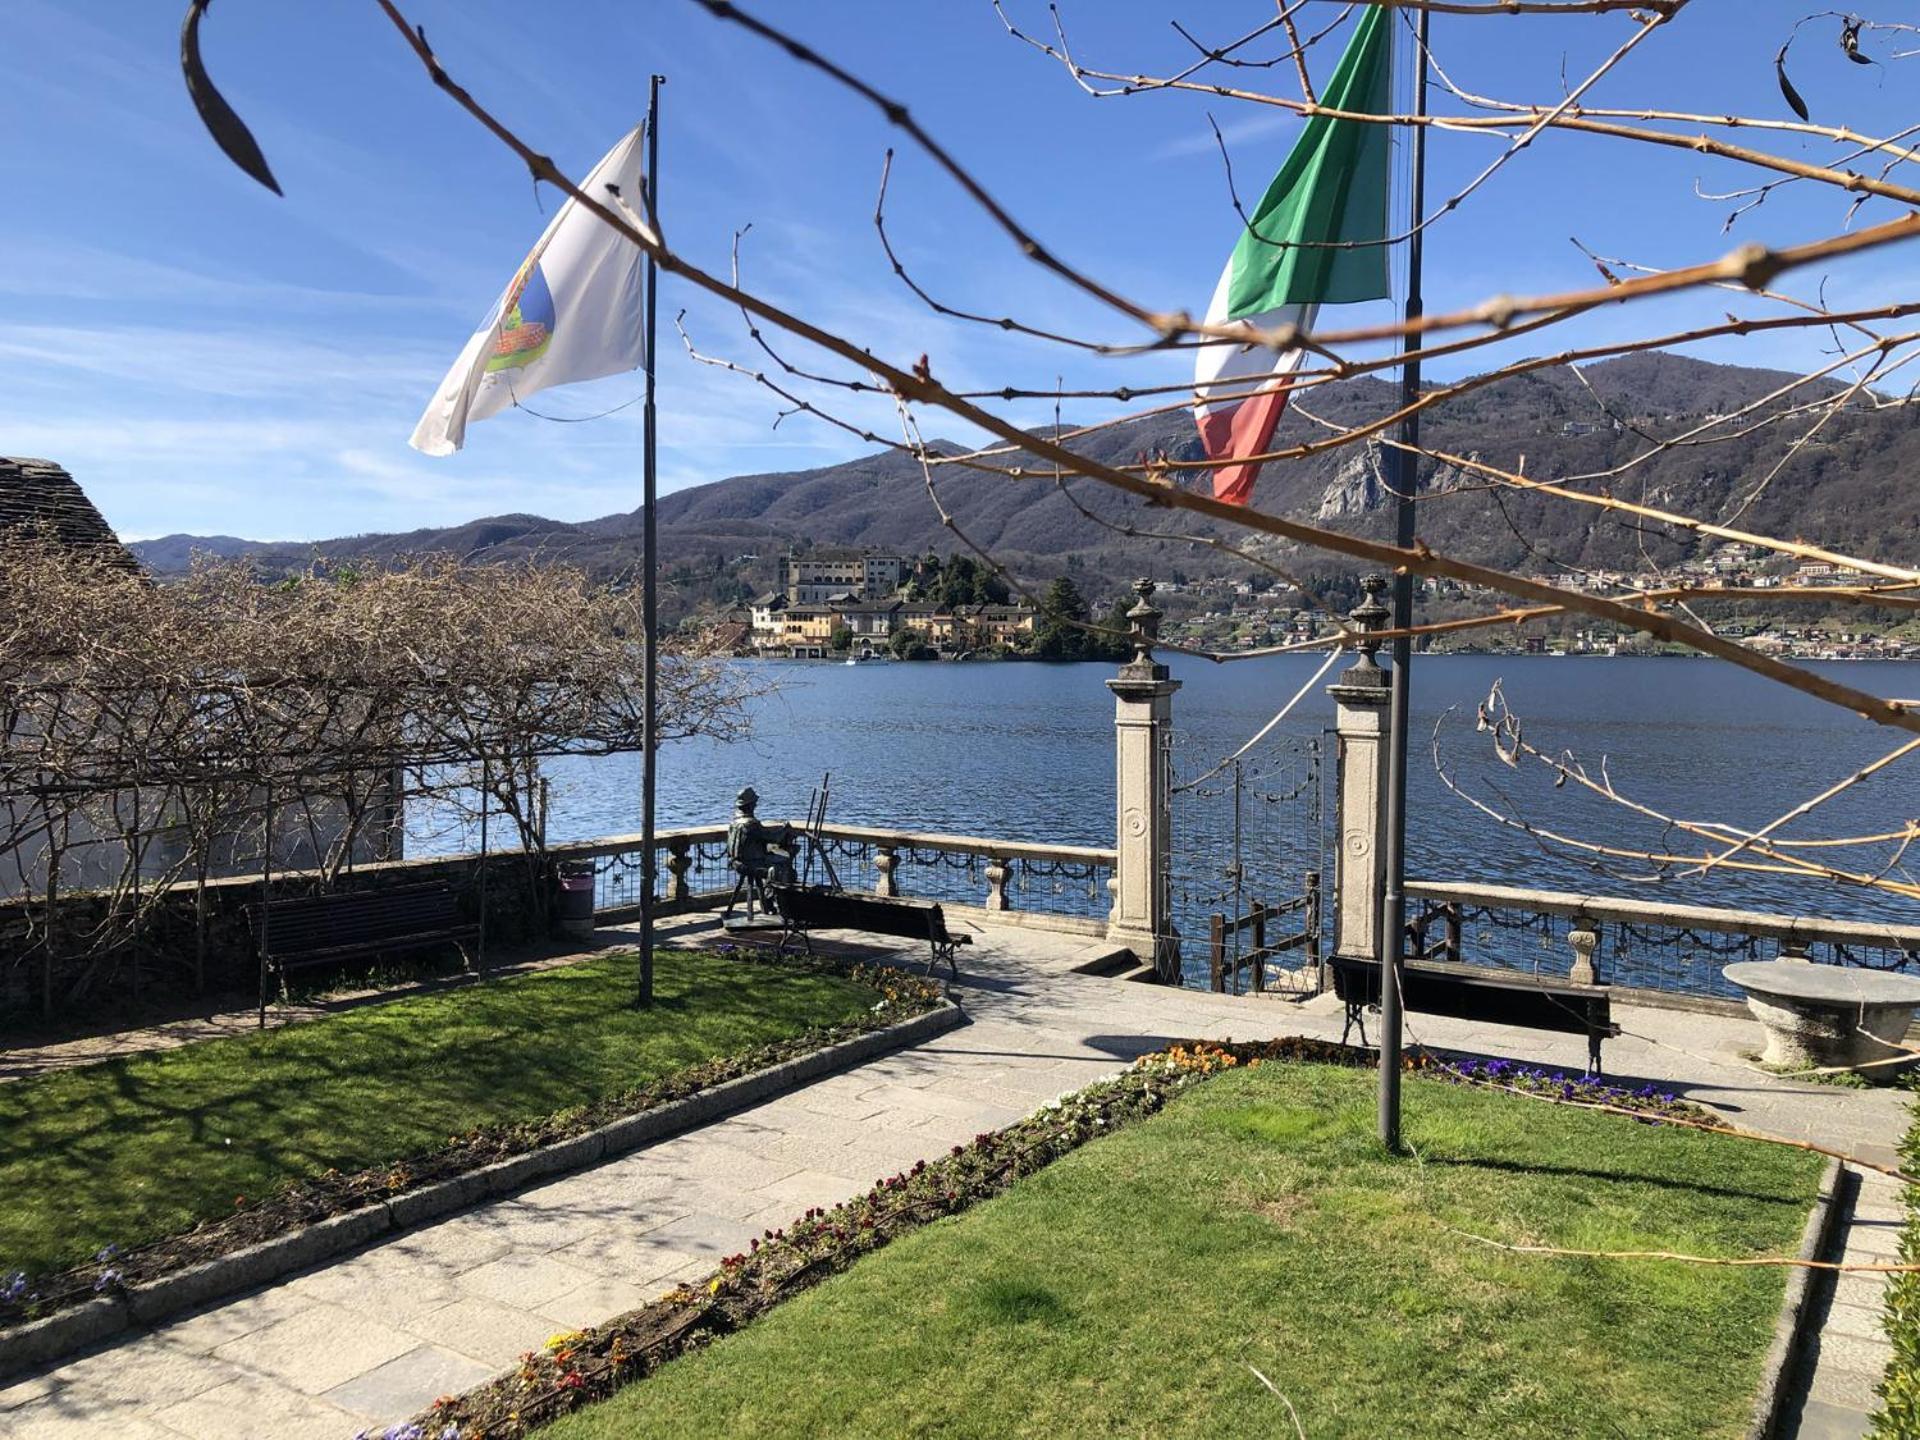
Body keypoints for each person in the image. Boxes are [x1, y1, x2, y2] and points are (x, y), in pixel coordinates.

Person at [726, 786, 796, 892]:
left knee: (776, 856)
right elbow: (772, 838)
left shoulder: (734, 823)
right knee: (785, 859)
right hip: (751, 865)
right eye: (754, 803)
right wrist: (785, 829)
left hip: (736, 863)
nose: (756, 805)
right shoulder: (751, 824)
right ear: (750, 805)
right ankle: (775, 896)